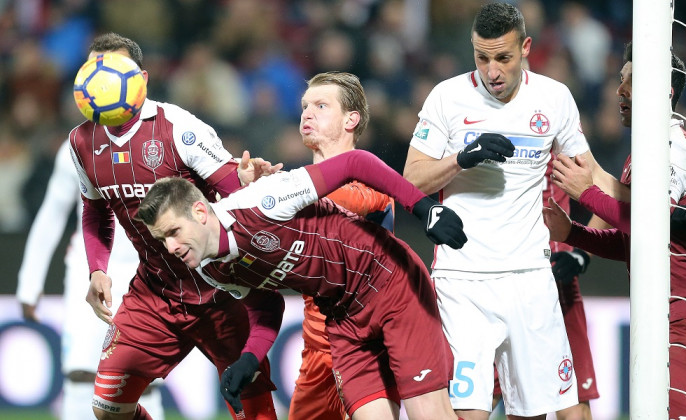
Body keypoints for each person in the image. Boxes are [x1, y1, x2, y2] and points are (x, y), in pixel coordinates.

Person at [402, 3, 625, 419]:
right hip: (462, 280)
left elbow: (590, 173)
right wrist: (461, 159)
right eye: (482, 57)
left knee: (534, 414)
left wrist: (647, 202)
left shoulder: (554, 98)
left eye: (503, 57)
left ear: (525, 47)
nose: (492, 71)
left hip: (530, 280)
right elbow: (410, 180)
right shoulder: (447, 97)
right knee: (469, 412)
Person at [136, 150, 468, 420]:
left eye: (173, 232)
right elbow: (267, 307)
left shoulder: (262, 202)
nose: (170, 248)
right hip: (342, 317)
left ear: (199, 212)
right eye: (161, 239)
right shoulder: (210, 268)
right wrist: (249, 359)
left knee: (429, 414)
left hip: (387, 280)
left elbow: (356, 163)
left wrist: (425, 209)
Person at [68, 33, 284, 420]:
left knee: (254, 412)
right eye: (95, 68)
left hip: (220, 289)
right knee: (108, 408)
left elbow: (231, 194)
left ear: (141, 78)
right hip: (156, 292)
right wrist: (97, 268)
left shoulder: (179, 126)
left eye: (115, 68)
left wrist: (245, 181)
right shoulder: (82, 141)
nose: (103, 77)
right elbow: (95, 210)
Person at [544, 42, 686, 420]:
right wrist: (574, 234)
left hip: (685, 322)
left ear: (664, 92)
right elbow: (637, 244)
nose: (620, 91)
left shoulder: (671, 148)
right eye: (620, 79)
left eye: (630, 81)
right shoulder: (643, 152)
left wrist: (588, 193)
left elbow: (655, 227)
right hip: (660, 317)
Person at [16, 139, 164, 420]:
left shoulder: (161, 138)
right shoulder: (75, 146)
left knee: (142, 378)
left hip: (146, 270)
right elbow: (52, 212)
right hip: (87, 271)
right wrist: (29, 282)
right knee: (80, 372)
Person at [288, 71, 395, 420]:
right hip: (315, 349)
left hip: (365, 347)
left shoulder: (373, 179)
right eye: (305, 106)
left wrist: (274, 188)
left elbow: (353, 199)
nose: (307, 113)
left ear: (351, 119)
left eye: (321, 105)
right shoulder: (293, 188)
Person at [492, 155, 600, 420]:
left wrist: (582, 253)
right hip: (493, 280)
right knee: (477, 401)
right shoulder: (481, 126)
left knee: (571, 406)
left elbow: (605, 190)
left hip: (553, 279)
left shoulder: (557, 123)